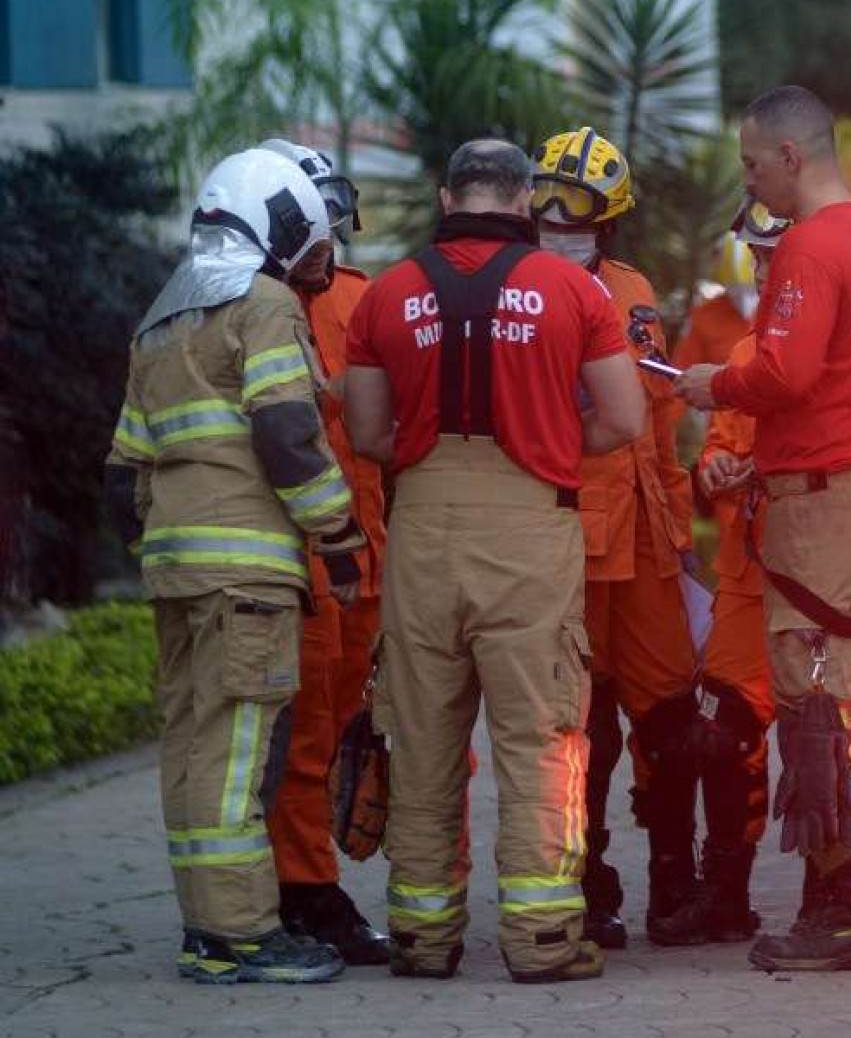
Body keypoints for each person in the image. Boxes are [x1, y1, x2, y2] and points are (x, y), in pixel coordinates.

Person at [342, 139, 645, 984]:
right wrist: (547, 442)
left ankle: (421, 936)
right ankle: (543, 938)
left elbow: (367, 438)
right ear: (526, 201)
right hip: (528, 534)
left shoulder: (386, 295)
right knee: (541, 737)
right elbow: (625, 421)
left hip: (423, 535)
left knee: (425, 738)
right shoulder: (571, 291)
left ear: (446, 197)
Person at [676, 85, 851, 972]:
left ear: (791, 155)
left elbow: (784, 371)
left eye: (751, 163)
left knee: (828, 709)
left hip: (826, 512)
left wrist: (715, 384)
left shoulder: (813, 249)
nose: (749, 180)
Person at [106, 149, 367, 984]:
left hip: (177, 569)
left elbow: (124, 470)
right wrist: (339, 535)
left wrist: (164, 546)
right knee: (239, 751)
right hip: (247, 575)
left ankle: (203, 926)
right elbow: (289, 433)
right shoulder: (262, 305)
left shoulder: (160, 319)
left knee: (191, 745)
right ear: (277, 225)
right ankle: (241, 936)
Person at [530, 126, 710, 948]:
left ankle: (677, 880)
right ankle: (585, 882)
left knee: (671, 719)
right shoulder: (522, 294)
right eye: (550, 206)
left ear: (610, 221)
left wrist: (680, 537)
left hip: (644, 542)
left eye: (580, 212)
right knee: (585, 729)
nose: (562, 221)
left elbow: (663, 419)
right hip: (568, 539)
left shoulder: (634, 290)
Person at [245, 140, 392, 966]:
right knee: (299, 736)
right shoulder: (248, 307)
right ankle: (304, 890)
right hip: (295, 555)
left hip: (360, 554)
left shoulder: (363, 300)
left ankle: (306, 885)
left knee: (343, 731)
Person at [686, 199, 793, 944]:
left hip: (817, 573)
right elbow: (714, 446)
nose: (760, 271)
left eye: (769, 256)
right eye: (754, 259)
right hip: (746, 573)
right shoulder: (750, 348)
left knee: (838, 735)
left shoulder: (834, 345)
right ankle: (726, 890)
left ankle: (850, 893)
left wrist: (760, 471)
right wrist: (715, 469)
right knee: (726, 731)